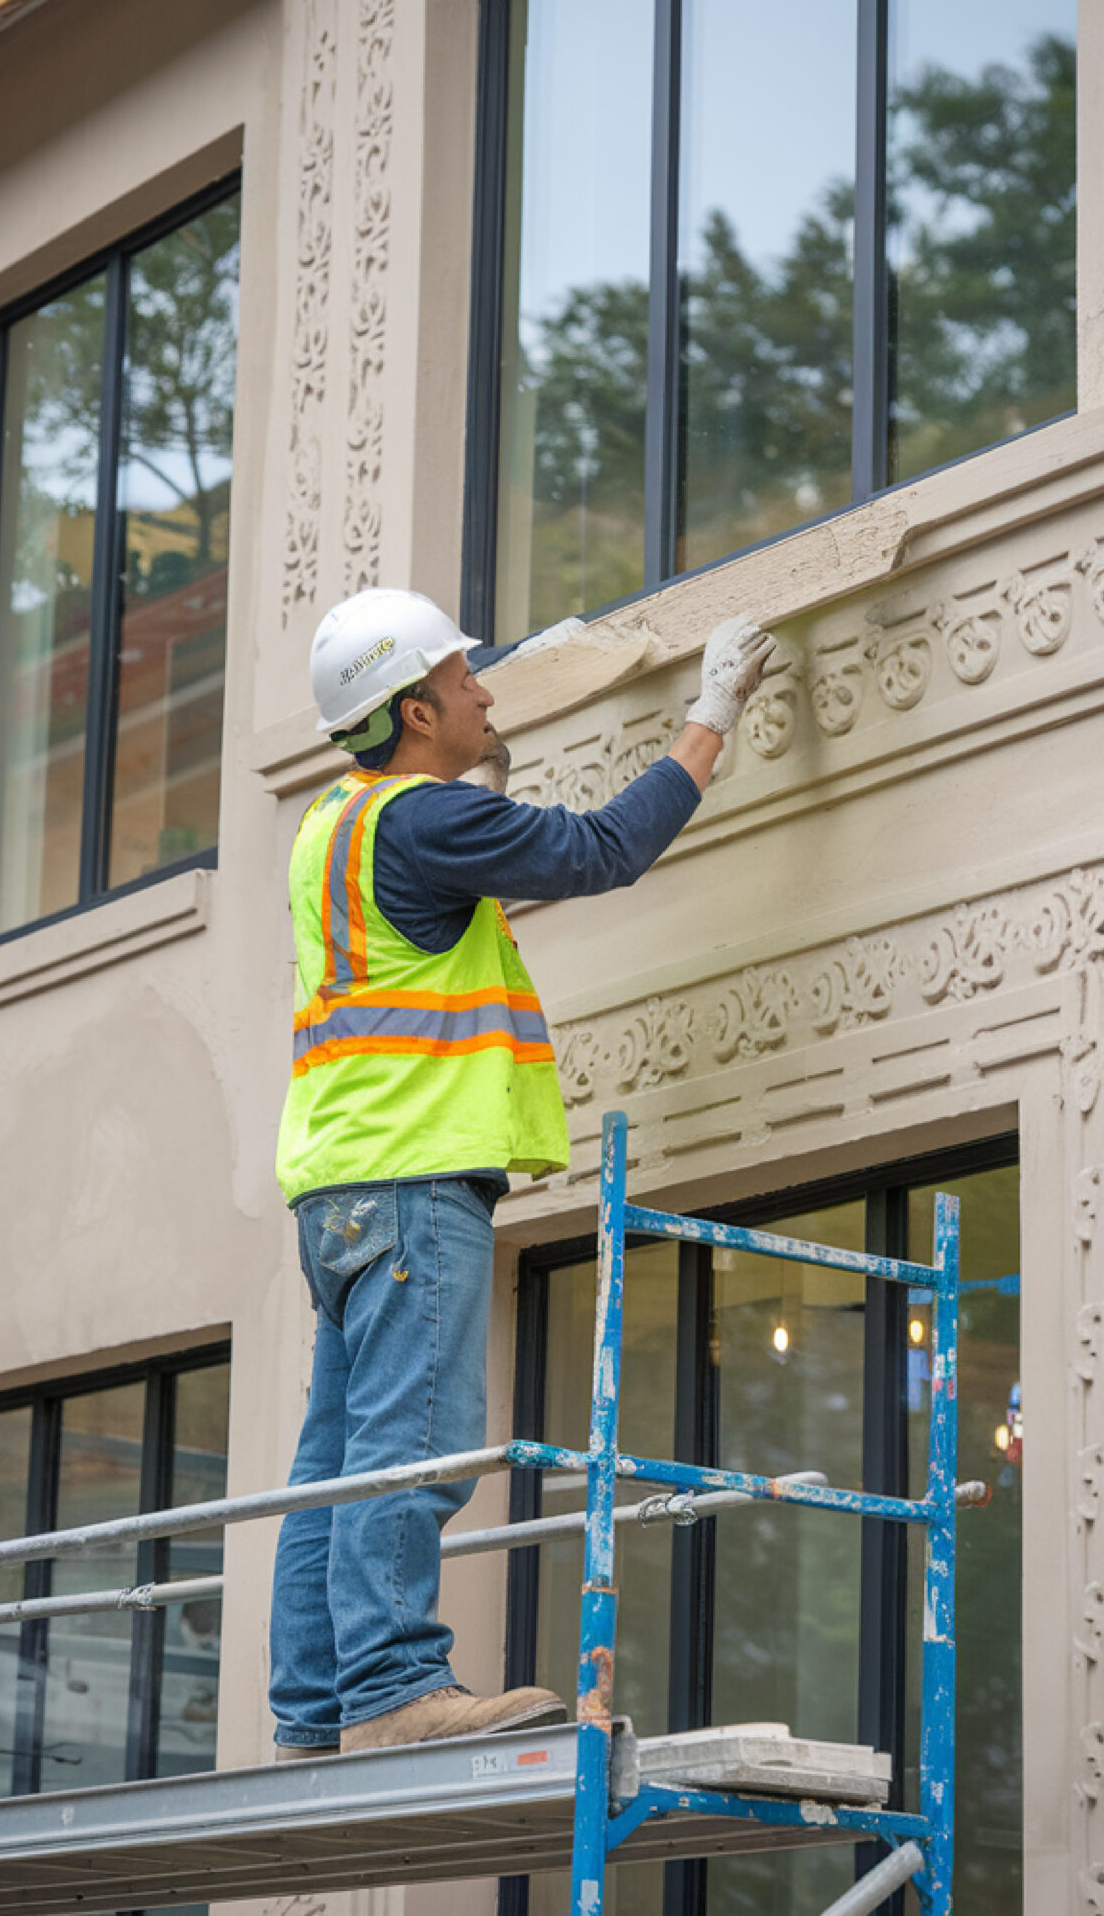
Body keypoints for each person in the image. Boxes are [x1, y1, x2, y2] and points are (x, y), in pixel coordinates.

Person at [270, 587, 775, 1757]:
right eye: (463, 681)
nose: (485, 690)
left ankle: (312, 1710)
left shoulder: (333, 826)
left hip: (340, 1181)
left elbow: (455, 883)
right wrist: (709, 715)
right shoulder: (425, 823)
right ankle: (396, 1690)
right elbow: (600, 850)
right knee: (416, 1438)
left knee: (339, 1451)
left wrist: (483, 775)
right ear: (412, 711)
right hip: (413, 1177)